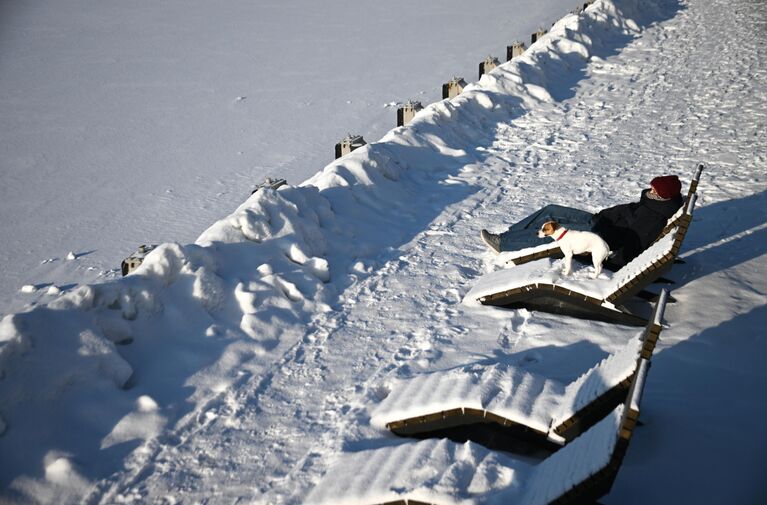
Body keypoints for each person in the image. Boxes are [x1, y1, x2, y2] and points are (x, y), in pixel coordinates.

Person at [480, 175, 684, 267]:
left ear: (662, 197)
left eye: (654, 190)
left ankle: (504, 244)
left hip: (598, 234)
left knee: (555, 230)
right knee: (551, 209)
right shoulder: (652, 203)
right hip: (599, 221)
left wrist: (610, 262)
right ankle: (510, 236)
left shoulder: (653, 215)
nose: (650, 190)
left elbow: (635, 242)